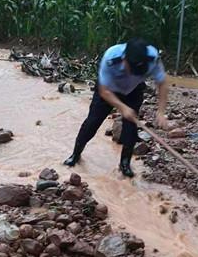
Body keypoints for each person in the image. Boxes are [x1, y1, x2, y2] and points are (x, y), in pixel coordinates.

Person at [63, 37, 169, 177]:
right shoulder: (110, 58)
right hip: (108, 90)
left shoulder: (152, 58)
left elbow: (162, 83)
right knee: (92, 123)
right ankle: (76, 154)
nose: (134, 73)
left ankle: (125, 163)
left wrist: (160, 112)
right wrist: (122, 108)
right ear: (124, 59)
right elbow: (104, 91)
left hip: (133, 91)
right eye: (132, 69)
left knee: (130, 130)